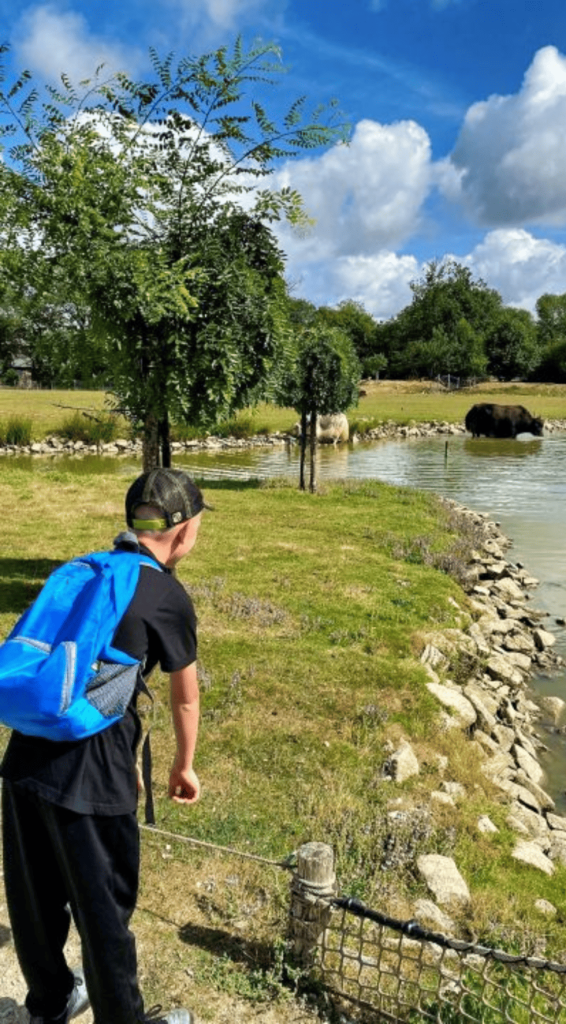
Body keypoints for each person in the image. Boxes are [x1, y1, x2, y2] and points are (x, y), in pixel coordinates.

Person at [1, 468, 209, 1024]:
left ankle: (50, 1002)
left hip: (23, 758)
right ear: (185, 531)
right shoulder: (167, 596)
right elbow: (184, 700)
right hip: (91, 773)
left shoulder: (84, 569)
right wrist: (183, 765)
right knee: (103, 910)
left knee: (34, 901)